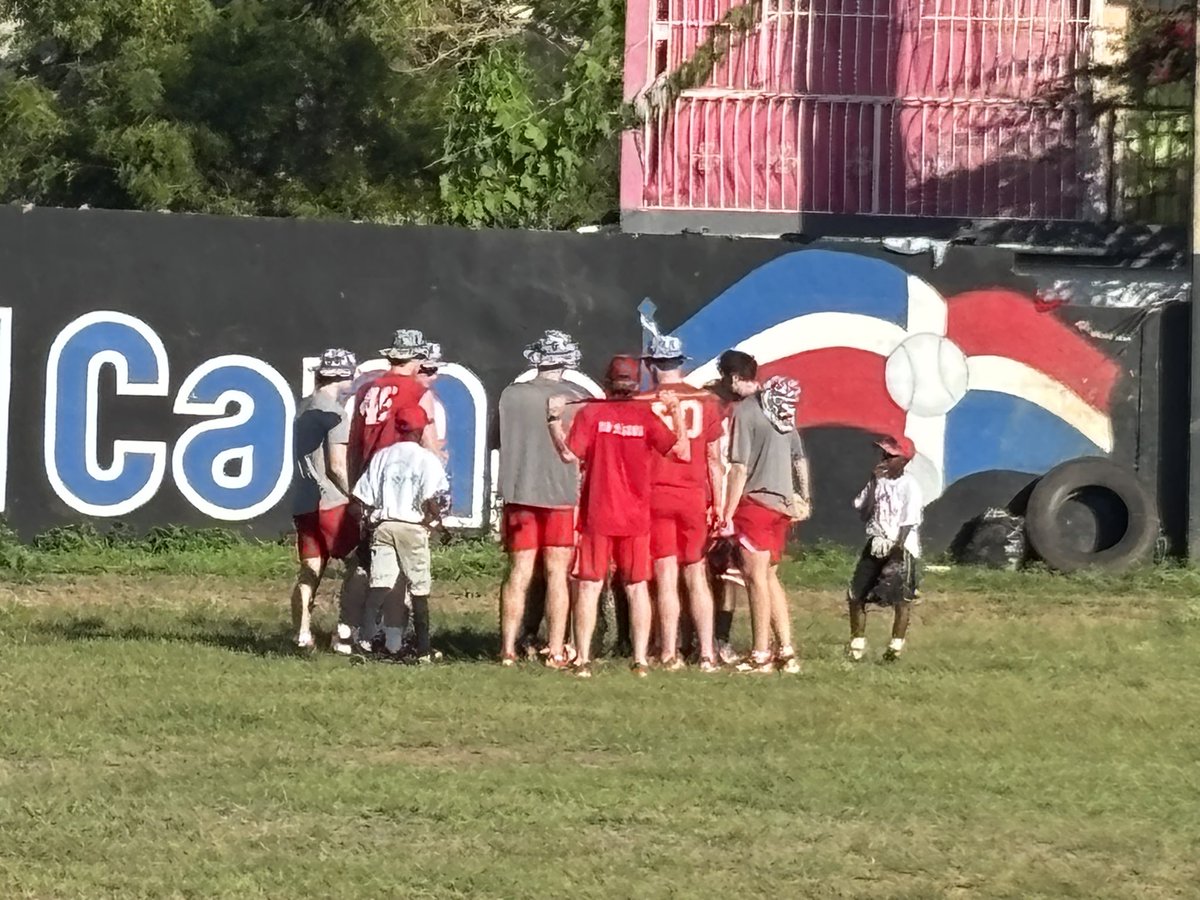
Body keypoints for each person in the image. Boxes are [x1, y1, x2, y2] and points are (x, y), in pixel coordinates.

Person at [547, 355, 686, 678]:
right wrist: (676, 412)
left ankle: (582, 659)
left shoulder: (591, 413)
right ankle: (640, 660)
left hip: (599, 513)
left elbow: (569, 456)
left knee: (590, 586)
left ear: (607, 383)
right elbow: (679, 450)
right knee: (637, 588)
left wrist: (553, 421)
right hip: (636, 516)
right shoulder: (646, 416)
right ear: (636, 384)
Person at [497, 330, 589, 668]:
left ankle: (507, 648)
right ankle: (556, 647)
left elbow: (498, 441)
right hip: (562, 495)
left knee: (518, 573)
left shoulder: (511, 395)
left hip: (520, 492)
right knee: (557, 575)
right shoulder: (577, 399)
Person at [641, 333, 723, 672]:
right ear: (681, 363)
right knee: (696, 574)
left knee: (665, 575)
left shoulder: (640, 401)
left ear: (651, 365)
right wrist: (718, 503)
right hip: (693, 494)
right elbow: (715, 458)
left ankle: (669, 651)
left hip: (656, 493)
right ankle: (706, 652)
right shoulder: (707, 401)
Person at [718, 375, 807, 674]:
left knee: (754, 580)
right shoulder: (786, 416)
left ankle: (761, 654)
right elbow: (799, 458)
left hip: (755, 504)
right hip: (782, 505)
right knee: (770, 579)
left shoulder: (744, 413)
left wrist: (726, 512)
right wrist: (803, 497)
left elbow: (739, 468)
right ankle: (787, 650)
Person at [352, 406, 450, 664]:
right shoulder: (428, 459)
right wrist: (439, 524)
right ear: (421, 429)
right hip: (412, 526)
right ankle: (424, 649)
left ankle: (364, 640)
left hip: (384, 524)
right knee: (419, 588)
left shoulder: (383, 456)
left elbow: (361, 498)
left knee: (380, 584)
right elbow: (433, 500)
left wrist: (369, 524)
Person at [289, 348, 363, 651]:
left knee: (310, 569)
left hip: (303, 499)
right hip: (331, 502)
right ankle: (345, 634)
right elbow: (336, 466)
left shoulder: (303, 406)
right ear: (344, 377)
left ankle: (301, 634)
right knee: (359, 564)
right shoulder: (335, 413)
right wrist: (355, 495)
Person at [847, 435, 923, 662]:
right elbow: (864, 511)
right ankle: (856, 645)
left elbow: (909, 521)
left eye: (890, 456)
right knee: (855, 595)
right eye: (883, 455)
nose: (884, 459)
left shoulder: (910, 485)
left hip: (899, 546)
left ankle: (895, 647)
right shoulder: (877, 481)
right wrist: (872, 481)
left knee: (901, 599)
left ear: (904, 460)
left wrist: (897, 550)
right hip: (876, 542)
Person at [706, 350, 760, 664]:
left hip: (739, 495)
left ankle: (722, 638)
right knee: (699, 568)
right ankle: (693, 637)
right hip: (707, 491)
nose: (754, 385)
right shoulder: (706, 402)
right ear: (733, 378)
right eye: (748, 380)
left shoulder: (753, 406)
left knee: (730, 573)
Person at [348, 328, 439, 485]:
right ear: (416, 359)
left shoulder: (365, 390)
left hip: (368, 477)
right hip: (402, 478)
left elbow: (355, 444)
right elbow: (428, 444)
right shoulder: (418, 392)